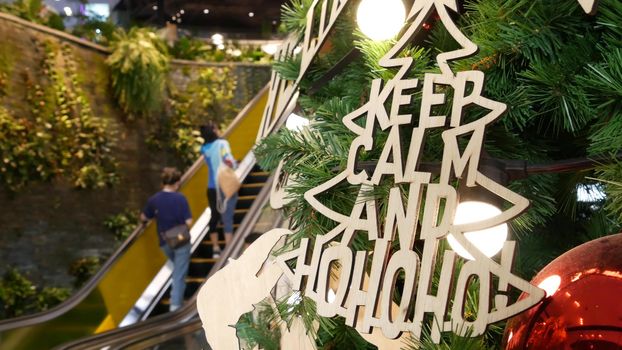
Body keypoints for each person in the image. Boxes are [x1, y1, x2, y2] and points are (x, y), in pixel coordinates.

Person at [141, 167, 193, 312]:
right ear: (177, 183)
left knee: (177, 269)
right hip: (181, 241)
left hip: (164, 243)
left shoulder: (154, 200)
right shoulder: (180, 198)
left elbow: (144, 217)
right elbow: (189, 221)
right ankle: (175, 307)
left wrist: (145, 223)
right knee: (179, 273)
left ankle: (178, 294)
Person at [200, 122, 238, 258]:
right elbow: (228, 160)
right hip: (224, 185)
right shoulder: (222, 144)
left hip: (211, 187)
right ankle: (229, 251)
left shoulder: (204, 148)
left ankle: (216, 248)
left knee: (215, 216)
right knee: (227, 217)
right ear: (215, 130)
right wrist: (234, 164)